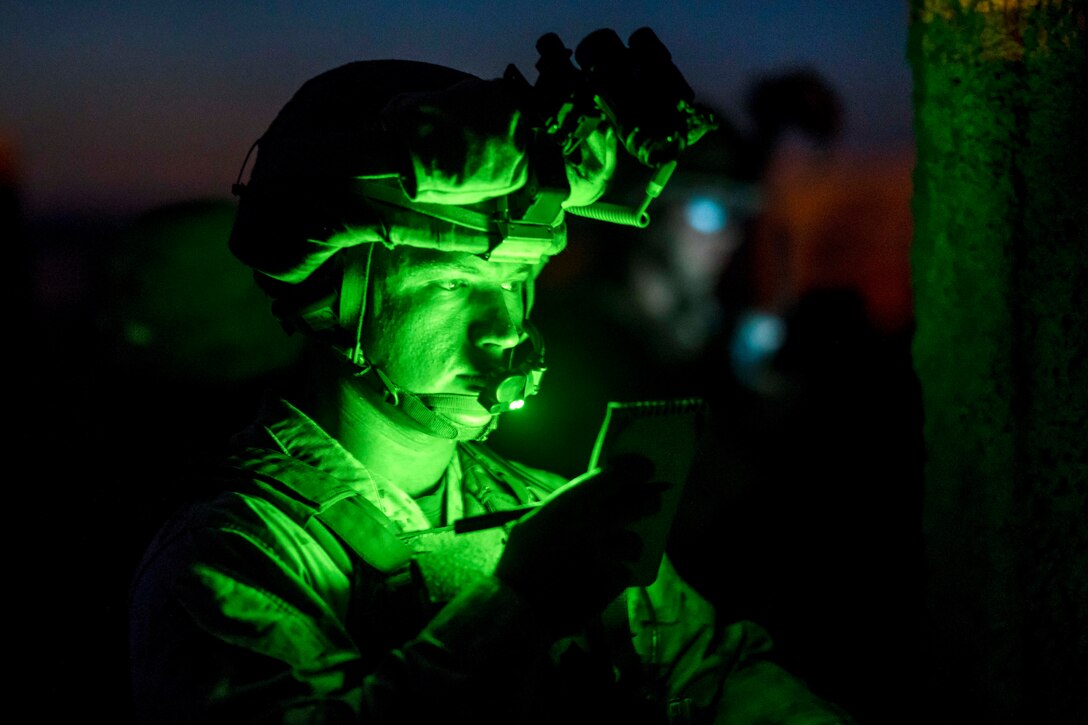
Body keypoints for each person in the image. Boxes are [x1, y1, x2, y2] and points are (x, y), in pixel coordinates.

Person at [128, 29, 855, 724]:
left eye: (518, 280)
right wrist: (521, 604)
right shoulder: (229, 562)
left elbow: (711, 675)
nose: (506, 327)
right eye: (452, 285)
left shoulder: (549, 510)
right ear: (334, 297)